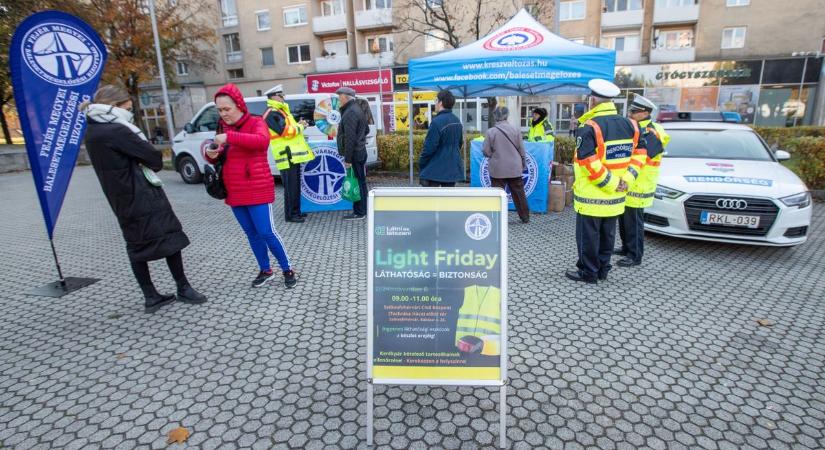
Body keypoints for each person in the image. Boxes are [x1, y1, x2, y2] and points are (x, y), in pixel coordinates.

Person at [82, 85, 206, 313]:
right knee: (170, 238)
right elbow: (154, 158)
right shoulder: (115, 130)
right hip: (141, 193)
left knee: (136, 245)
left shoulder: (92, 130)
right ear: (113, 106)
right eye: (127, 109)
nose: (130, 114)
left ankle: (150, 295)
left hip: (120, 197)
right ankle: (183, 287)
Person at [204, 83, 298, 288]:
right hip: (235, 191)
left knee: (267, 232)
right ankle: (266, 270)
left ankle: (287, 268)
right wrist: (211, 154)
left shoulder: (256, 122)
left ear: (239, 105)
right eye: (220, 110)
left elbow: (261, 142)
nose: (223, 114)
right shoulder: (222, 127)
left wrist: (229, 136)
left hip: (257, 190)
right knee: (252, 234)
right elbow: (219, 156)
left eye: (227, 109)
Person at [565, 79, 641, 284]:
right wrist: (625, 180)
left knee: (588, 237)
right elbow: (640, 156)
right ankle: (603, 270)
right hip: (616, 198)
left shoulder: (590, 127)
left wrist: (611, 183)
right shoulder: (631, 125)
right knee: (608, 236)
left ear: (592, 100)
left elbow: (589, 163)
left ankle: (588, 273)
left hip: (592, 197)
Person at [615, 94, 670, 267]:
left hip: (640, 184)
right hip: (629, 182)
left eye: (634, 111)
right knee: (624, 220)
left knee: (634, 223)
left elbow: (645, 155)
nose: (630, 114)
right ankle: (625, 247)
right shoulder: (635, 128)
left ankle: (635, 255)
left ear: (645, 112)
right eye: (630, 110)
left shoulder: (652, 131)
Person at [262, 84, 315, 223]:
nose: (283, 98)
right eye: (281, 95)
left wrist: (298, 124)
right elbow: (285, 132)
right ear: (273, 97)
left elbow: (289, 128)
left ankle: (296, 212)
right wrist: (301, 126)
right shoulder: (272, 112)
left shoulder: (281, 111)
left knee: (294, 186)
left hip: (291, 155)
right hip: (286, 156)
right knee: (291, 187)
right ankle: (291, 215)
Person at [483, 106, 530, 224]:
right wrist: (522, 162)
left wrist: (494, 155)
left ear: (495, 117)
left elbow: (486, 151)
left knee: (497, 194)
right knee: (519, 193)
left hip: (498, 169)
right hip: (514, 167)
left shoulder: (490, 132)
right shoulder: (516, 130)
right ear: (507, 115)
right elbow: (521, 149)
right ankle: (525, 217)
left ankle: (496, 217)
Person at [335, 87, 369, 220]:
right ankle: (363, 209)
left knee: (357, 183)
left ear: (345, 97)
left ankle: (359, 212)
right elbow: (365, 130)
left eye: (339, 97)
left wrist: (348, 159)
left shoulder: (350, 112)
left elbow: (350, 138)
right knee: (360, 182)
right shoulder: (357, 108)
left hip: (355, 153)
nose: (338, 100)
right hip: (360, 151)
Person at [419, 90, 464, 187]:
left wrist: (421, 163)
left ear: (441, 103)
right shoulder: (457, 121)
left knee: (432, 201)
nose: (435, 103)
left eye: (436, 101)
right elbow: (460, 143)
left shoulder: (436, 122)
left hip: (435, 171)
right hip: (453, 168)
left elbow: (429, 148)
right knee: (448, 200)